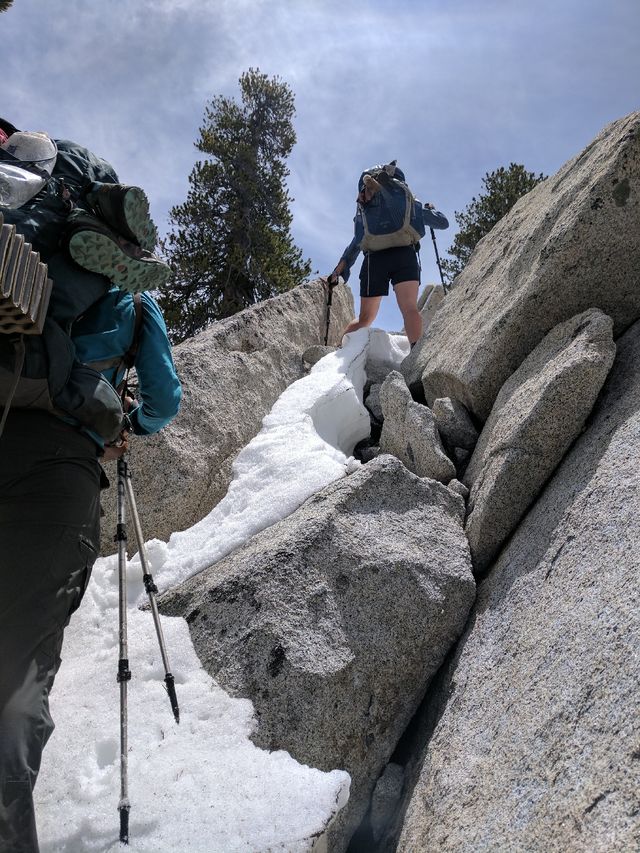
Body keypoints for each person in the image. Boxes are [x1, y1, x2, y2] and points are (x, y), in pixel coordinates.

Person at [0, 120, 182, 853]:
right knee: (11, 682)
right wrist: (127, 412)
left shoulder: (25, 226)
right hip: (59, 468)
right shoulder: (132, 299)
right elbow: (166, 400)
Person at [329, 163, 449, 346]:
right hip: (404, 254)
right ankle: (415, 360)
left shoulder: (366, 211)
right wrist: (431, 210)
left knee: (365, 318)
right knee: (409, 309)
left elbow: (358, 242)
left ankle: (338, 352)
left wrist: (341, 268)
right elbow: (443, 223)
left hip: (375, 258)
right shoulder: (409, 205)